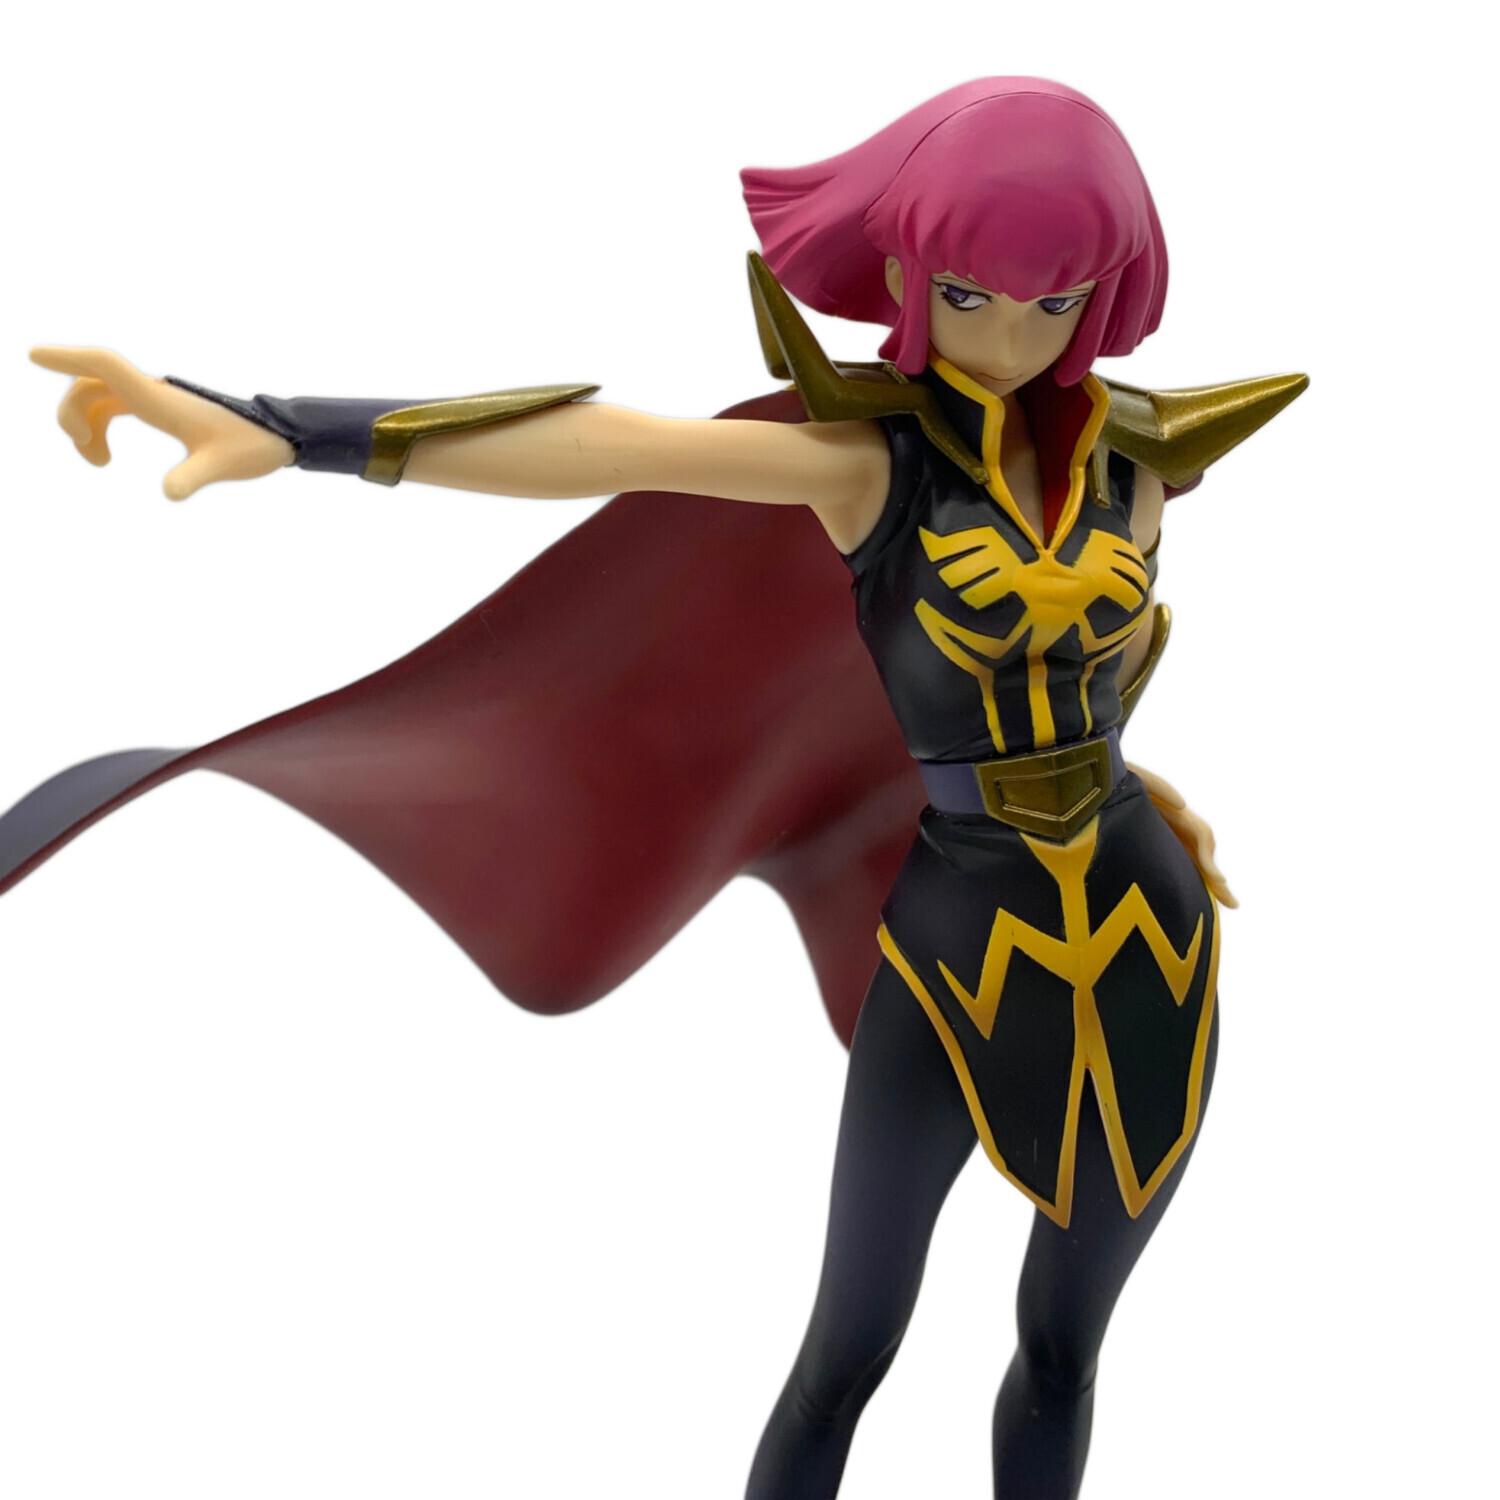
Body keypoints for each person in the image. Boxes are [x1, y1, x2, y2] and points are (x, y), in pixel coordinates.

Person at [6, 77, 1304, 1498]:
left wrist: (1132, 778)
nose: (1010, 338)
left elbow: (1089, 675)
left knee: (1064, 1350)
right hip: (953, 944)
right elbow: (612, 447)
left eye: (1054, 303)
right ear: (907, 283)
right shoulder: (865, 470)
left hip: (1150, 931)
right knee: (847, 1349)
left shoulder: (1137, 470)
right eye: (970, 296)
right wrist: (284, 427)